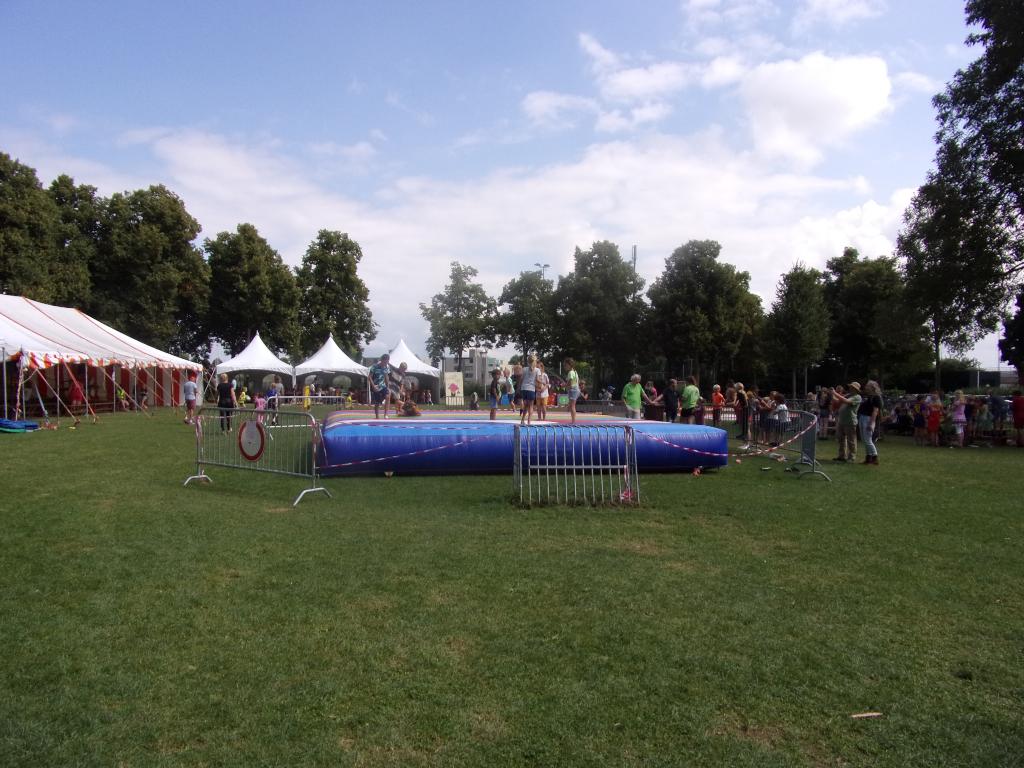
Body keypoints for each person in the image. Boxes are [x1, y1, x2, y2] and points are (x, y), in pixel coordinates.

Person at [832, 383, 861, 462]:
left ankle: (851, 457)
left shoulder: (857, 397)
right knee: (841, 439)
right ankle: (842, 456)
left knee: (851, 440)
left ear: (855, 389)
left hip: (850, 421)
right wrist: (832, 393)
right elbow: (837, 400)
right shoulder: (849, 395)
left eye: (851, 387)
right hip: (842, 421)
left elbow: (846, 401)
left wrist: (834, 393)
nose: (849, 388)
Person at [858, 380, 882, 465]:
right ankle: (868, 458)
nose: (866, 387)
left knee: (868, 439)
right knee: (864, 439)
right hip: (863, 417)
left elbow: (875, 411)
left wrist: (871, 423)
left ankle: (875, 457)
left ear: (872, 387)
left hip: (868, 419)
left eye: (867, 386)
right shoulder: (869, 397)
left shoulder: (876, 397)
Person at [369, 353, 392, 419]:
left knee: (388, 396)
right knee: (377, 402)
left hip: (383, 386)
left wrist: (388, 387)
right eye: (385, 361)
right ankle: (377, 417)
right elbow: (369, 377)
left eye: (387, 362)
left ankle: (386, 414)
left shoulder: (386, 367)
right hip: (376, 386)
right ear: (382, 360)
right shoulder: (374, 367)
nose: (386, 363)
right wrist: (373, 386)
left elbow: (386, 377)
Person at [519, 356, 538, 425]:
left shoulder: (524, 369)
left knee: (526, 406)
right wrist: (542, 383)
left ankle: (522, 420)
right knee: (531, 406)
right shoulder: (537, 370)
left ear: (528, 361)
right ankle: (529, 421)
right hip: (531, 389)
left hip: (524, 388)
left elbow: (521, 379)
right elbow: (537, 380)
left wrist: (519, 388)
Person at [564, 358, 580, 424]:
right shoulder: (575, 372)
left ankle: (573, 421)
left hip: (573, 390)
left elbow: (570, 383)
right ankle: (573, 420)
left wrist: (564, 385)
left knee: (572, 406)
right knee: (572, 405)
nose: (565, 366)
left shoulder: (570, 372)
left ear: (569, 365)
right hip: (576, 389)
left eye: (565, 365)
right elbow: (577, 381)